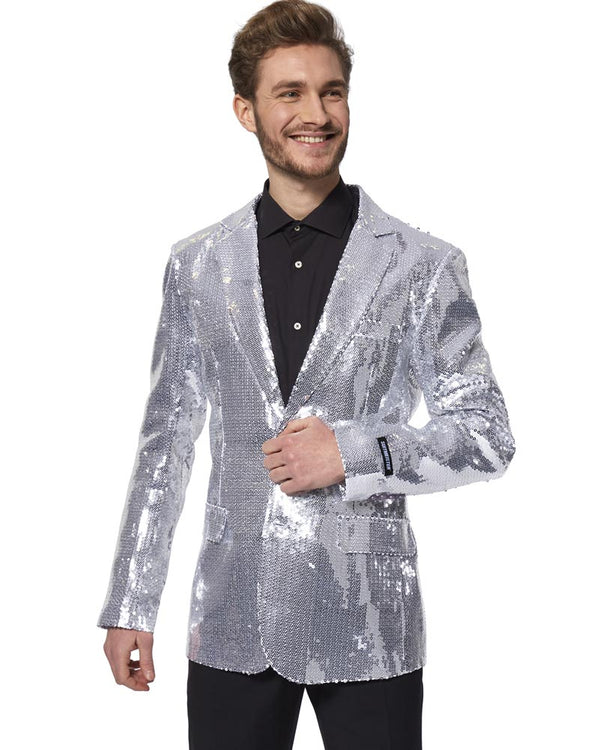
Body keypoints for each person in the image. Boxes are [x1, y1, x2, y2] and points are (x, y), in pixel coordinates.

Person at [98, 2, 516, 748]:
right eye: (289, 93)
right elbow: (166, 445)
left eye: (331, 92)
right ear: (246, 111)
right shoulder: (196, 265)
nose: (316, 114)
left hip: (368, 625)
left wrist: (352, 451)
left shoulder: (423, 266)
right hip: (231, 621)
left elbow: (487, 435)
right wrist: (132, 598)